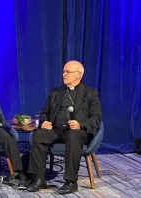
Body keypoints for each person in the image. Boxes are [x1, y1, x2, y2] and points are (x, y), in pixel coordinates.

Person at [27, 60, 102, 194]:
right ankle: (38, 178)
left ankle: (71, 182)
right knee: (38, 135)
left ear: (78, 75)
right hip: (56, 129)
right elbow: (44, 112)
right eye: (63, 71)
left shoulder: (90, 93)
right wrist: (44, 121)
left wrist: (80, 124)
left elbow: (96, 117)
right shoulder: (55, 92)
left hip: (77, 131)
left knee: (73, 136)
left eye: (67, 72)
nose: (64, 74)